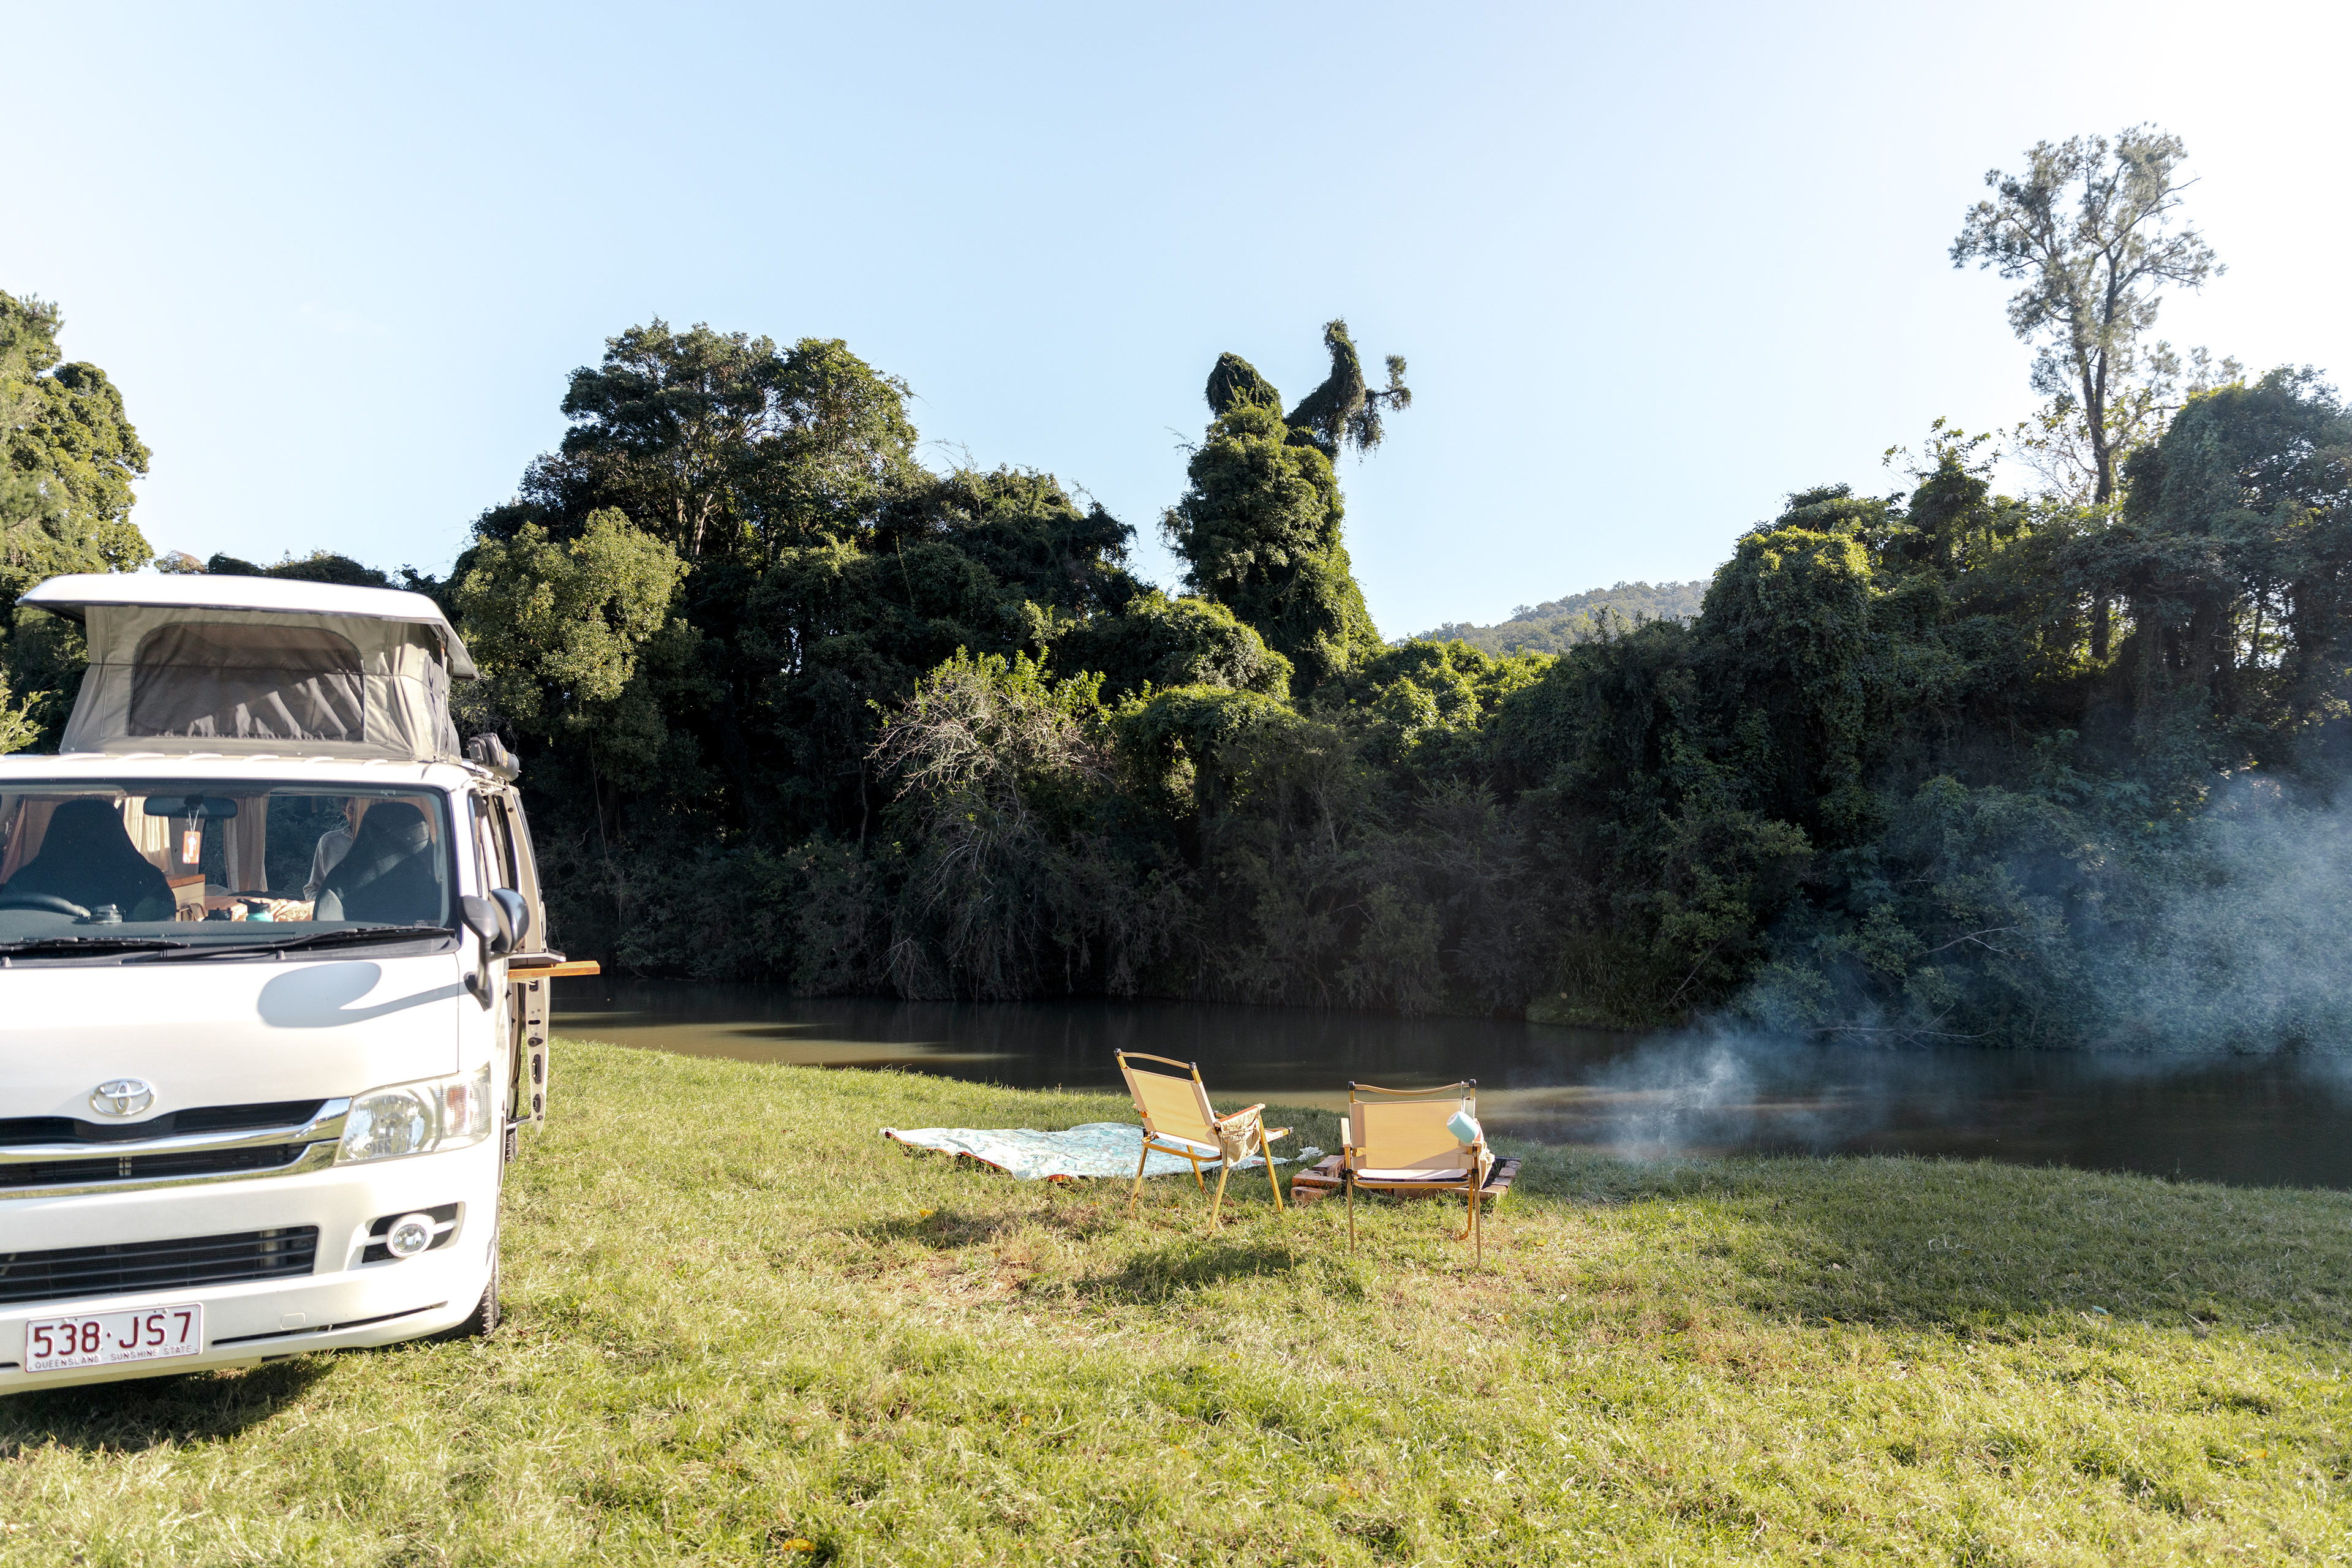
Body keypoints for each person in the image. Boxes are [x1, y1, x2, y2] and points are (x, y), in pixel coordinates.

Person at [0, 797, 176, 920]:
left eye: (93, 836)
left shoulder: (25, 883)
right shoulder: (145, 881)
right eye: (74, 834)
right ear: (116, 833)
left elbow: (157, 941)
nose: (85, 841)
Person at [303, 797, 365, 901]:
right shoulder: (329, 842)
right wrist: (325, 909)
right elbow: (313, 889)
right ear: (344, 810)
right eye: (352, 810)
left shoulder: (388, 842)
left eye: (363, 810)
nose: (358, 815)